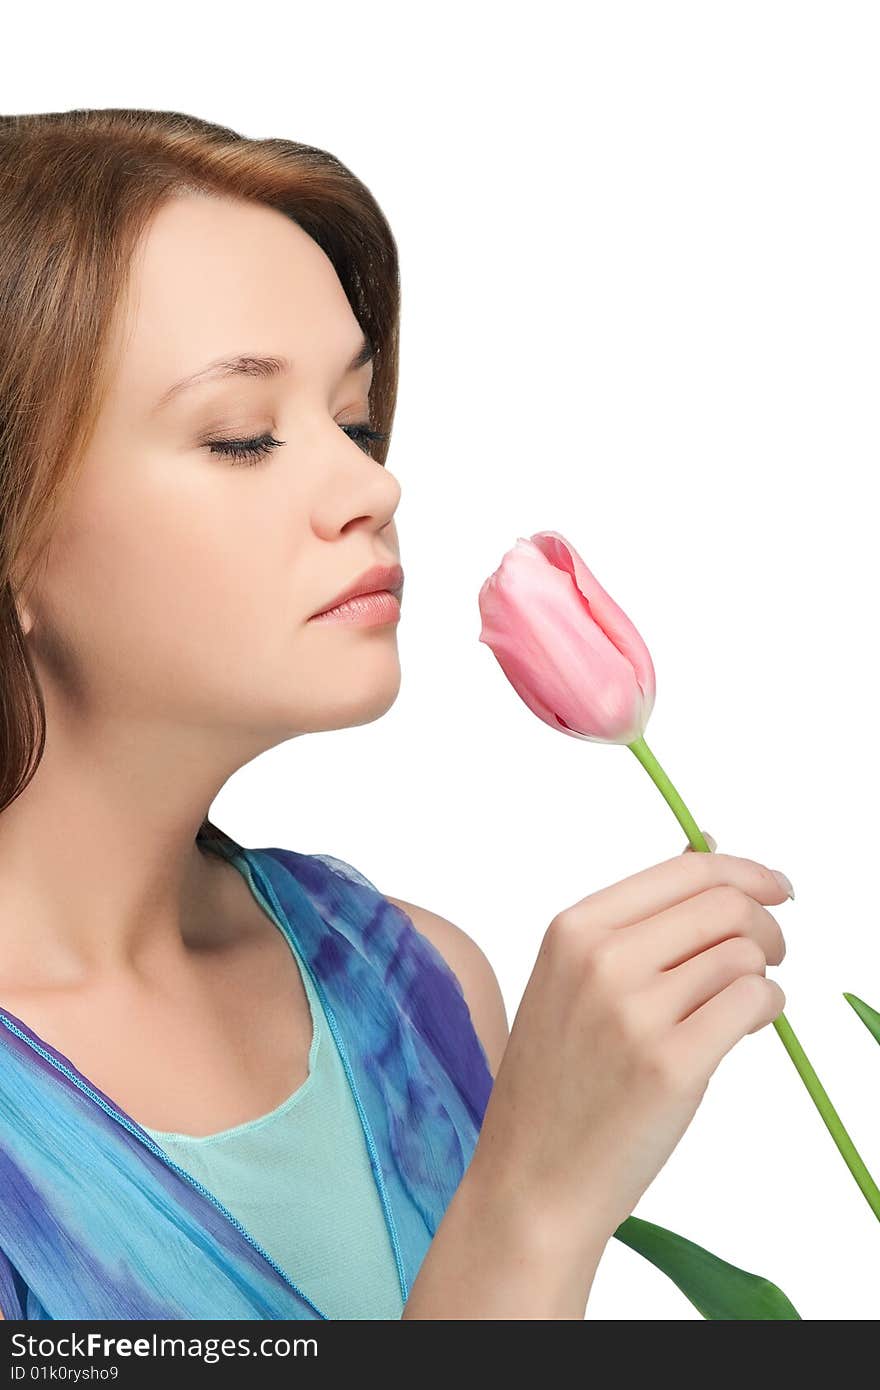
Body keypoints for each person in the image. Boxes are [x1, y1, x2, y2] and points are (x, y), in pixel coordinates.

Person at [0, 107, 791, 1321]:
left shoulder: (412, 983)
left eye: (357, 420)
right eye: (243, 436)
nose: (373, 484)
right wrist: (531, 1206)